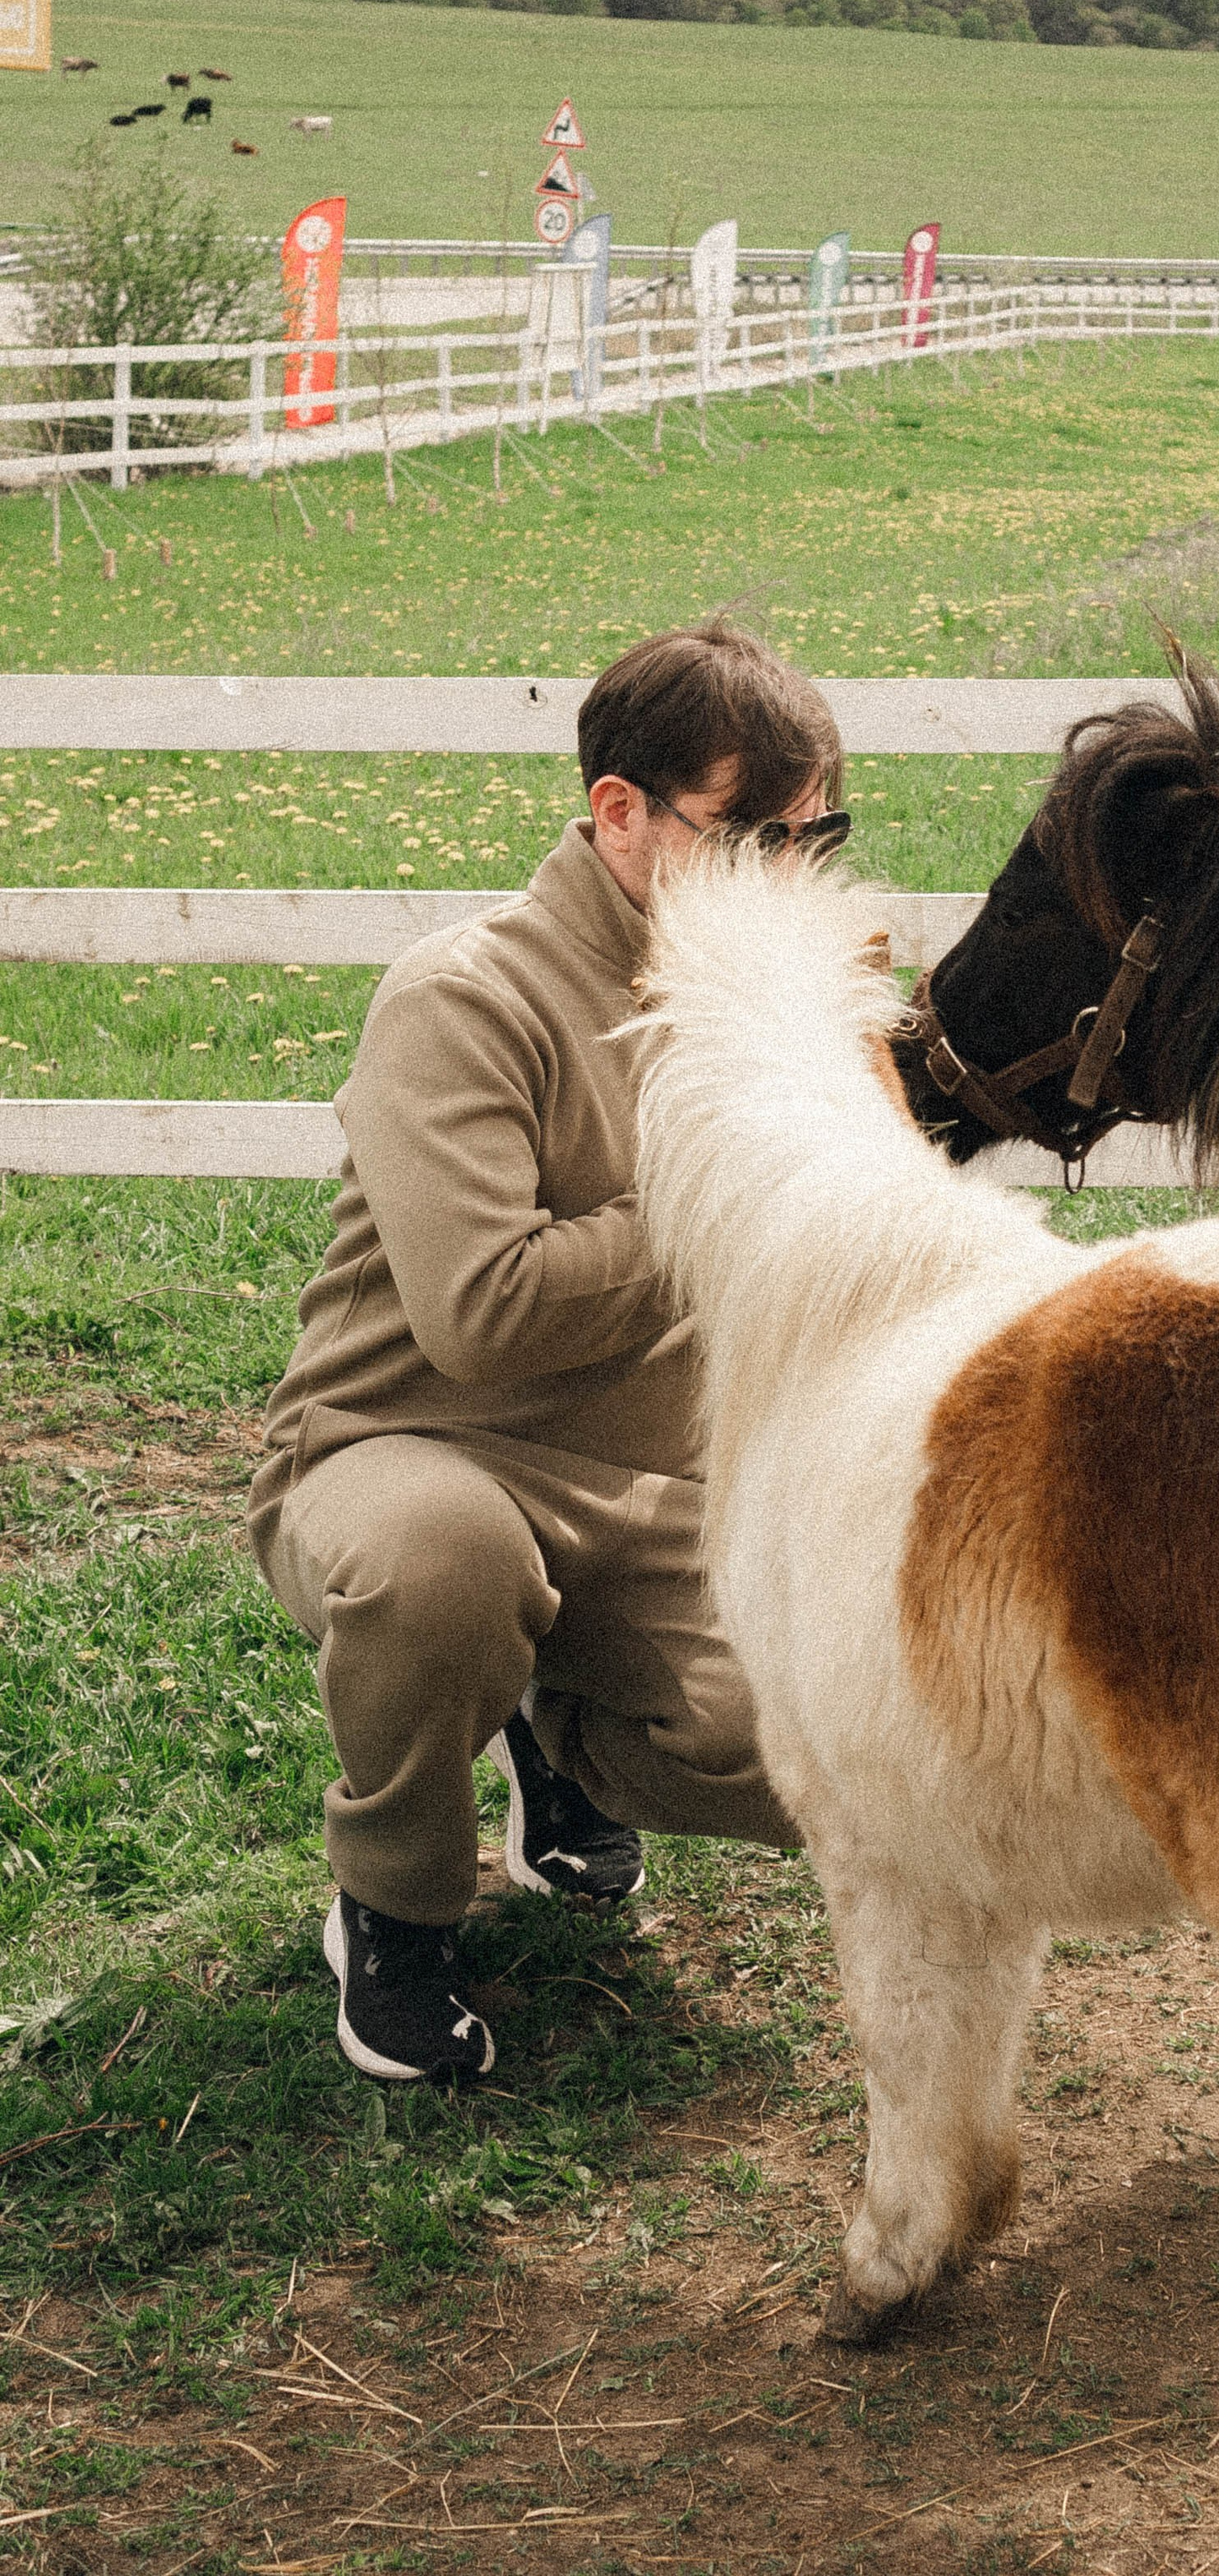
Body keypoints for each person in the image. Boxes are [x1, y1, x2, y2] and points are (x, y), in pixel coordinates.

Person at [249, 616, 850, 2083]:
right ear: (618, 814)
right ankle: (394, 1910)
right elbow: (482, 1313)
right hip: (402, 1451)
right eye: (747, 834)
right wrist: (721, 1190)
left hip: (640, 1492)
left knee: (823, 1744)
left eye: (814, 837)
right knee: (440, 1565)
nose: (789, 877)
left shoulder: (768, 994)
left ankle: (553, 1732)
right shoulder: (465, 996)